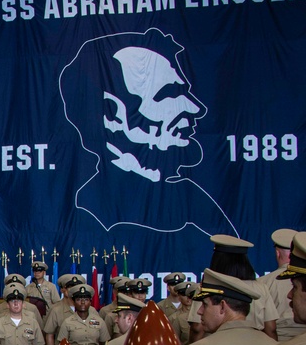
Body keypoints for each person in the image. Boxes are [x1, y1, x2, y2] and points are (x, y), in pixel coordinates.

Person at [60, 28, 235, 235]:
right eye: (171, 94)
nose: (197, 109)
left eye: (186, 92)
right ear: (113, 115)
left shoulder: (192, 200)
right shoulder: (90, 212)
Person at [260, 228, 306, 342]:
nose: (290, 295)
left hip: (278, 343)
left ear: (277, 252)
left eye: (294, 287)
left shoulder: (263, 283)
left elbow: (266, 326)